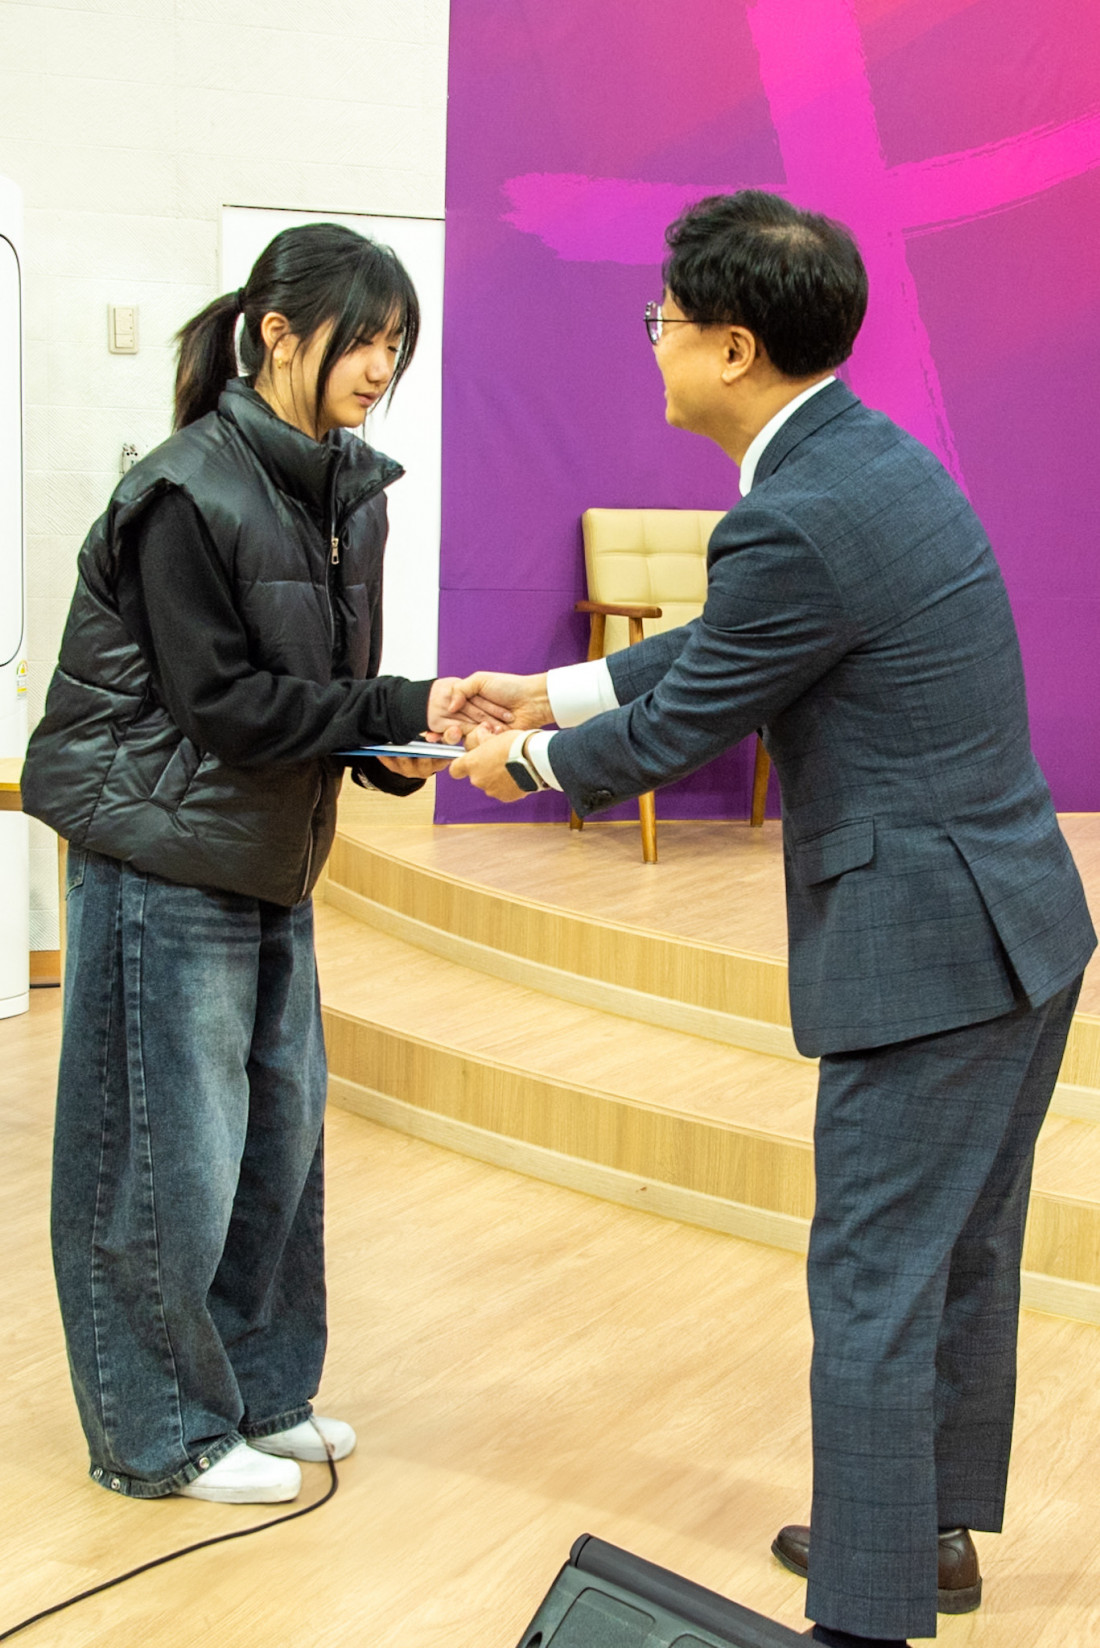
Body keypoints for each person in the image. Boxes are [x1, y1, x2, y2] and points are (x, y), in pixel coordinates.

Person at [450, 191, 1097, 1647]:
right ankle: (917, 1536)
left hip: (934, 950)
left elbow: (682, 721)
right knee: (956, 1254)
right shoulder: (861, 459)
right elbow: (725, 645)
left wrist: (527, 762)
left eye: (664, 319)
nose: (653, 340)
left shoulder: (793, 511)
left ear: (733, 347)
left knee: (873, 1278)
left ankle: (862, 1619)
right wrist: (550, 689)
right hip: (1015, 923)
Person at [21, 222, 505, 1504]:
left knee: (275, 1142)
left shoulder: (348, 491)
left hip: (267, 853)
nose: (382, 367)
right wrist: (390, 706)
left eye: (397, 344)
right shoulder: (186, 490)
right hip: (160, 851)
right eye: (364, 339)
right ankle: (157, 1434)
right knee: (161, 1159)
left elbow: (324, 692)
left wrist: (405, 744)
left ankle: (259, 1393)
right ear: (277, 333)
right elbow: (225, 706)